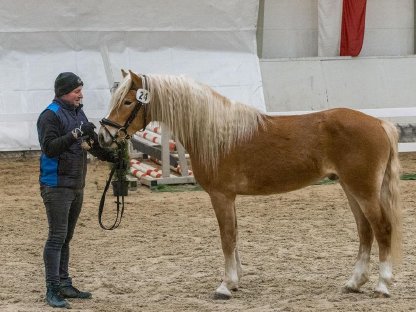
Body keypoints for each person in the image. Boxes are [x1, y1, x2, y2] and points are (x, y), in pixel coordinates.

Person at [37, 72, 116, 308]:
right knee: (56, 237)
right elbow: (50, 148)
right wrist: (75, 134)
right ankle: (52, 288)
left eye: (80, 90)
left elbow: (90, 144)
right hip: (56, 185)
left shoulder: (77, 112)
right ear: (64, 92)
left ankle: (64, 282)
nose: (81, 95)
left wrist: (110, 157)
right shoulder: (49, 116)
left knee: (66, 238)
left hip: (76, 183)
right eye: (76, 91)